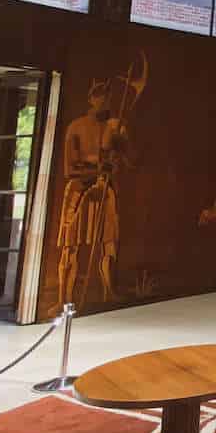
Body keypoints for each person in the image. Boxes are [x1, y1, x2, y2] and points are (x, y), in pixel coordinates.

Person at [55, 79, 126, 309]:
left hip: (105, 189)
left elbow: (129, 161)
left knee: (109, 244)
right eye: (98, 94)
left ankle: (109, 293)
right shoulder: (76, 127)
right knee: (70, 245)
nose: (102, 99)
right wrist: (97, 167)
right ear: (91, 98)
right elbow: (70, 168)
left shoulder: (114, 126)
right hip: (79, 190)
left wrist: (121, 141)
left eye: (106, 95)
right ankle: (62, 300)